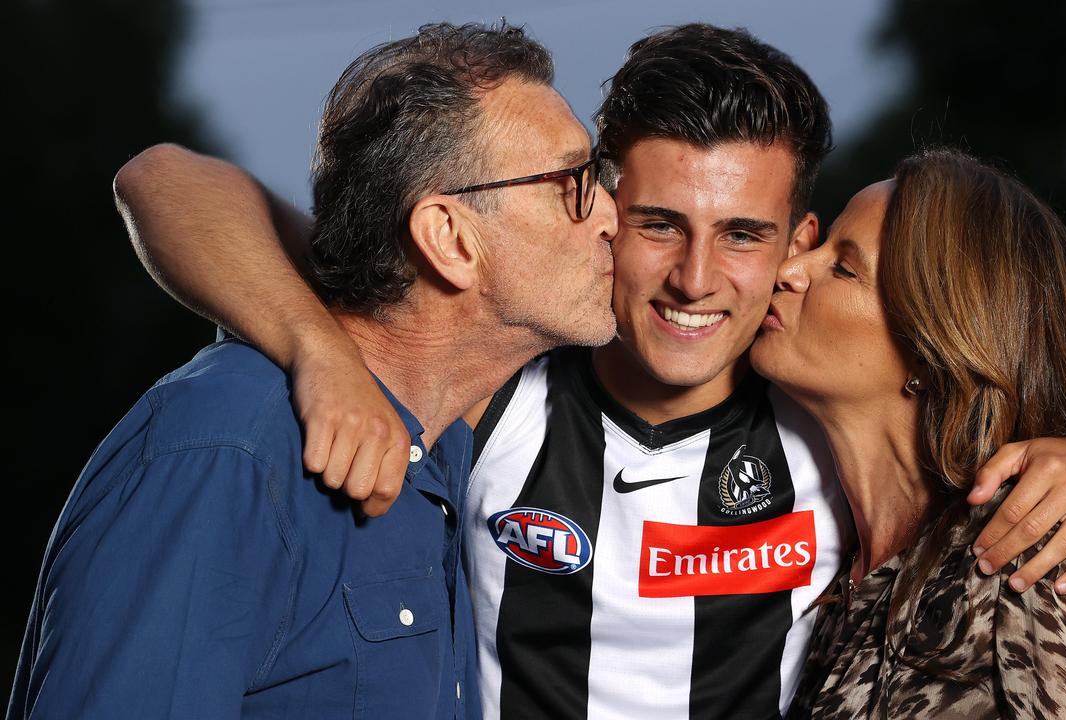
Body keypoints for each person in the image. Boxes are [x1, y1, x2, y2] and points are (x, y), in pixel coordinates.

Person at [111, 24, 1066, 719]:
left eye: (742, 234)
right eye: (656, 224)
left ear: (793, 244)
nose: (693, 280)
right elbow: (169, 180)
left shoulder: (827, 415)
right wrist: (315, 349)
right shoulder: (500, 376)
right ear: (593, 209)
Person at [9, 22, 617, 719]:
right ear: (449, 239)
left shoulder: (442, 448)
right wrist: (316, 349)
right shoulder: (226, 451)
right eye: (571, 183)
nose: (608, 215)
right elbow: (160, 178)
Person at [755, 149, 1066, 719]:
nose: (790, 268)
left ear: (932, 351)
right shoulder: (853, 578)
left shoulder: (1022, 542)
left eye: (844, 267)